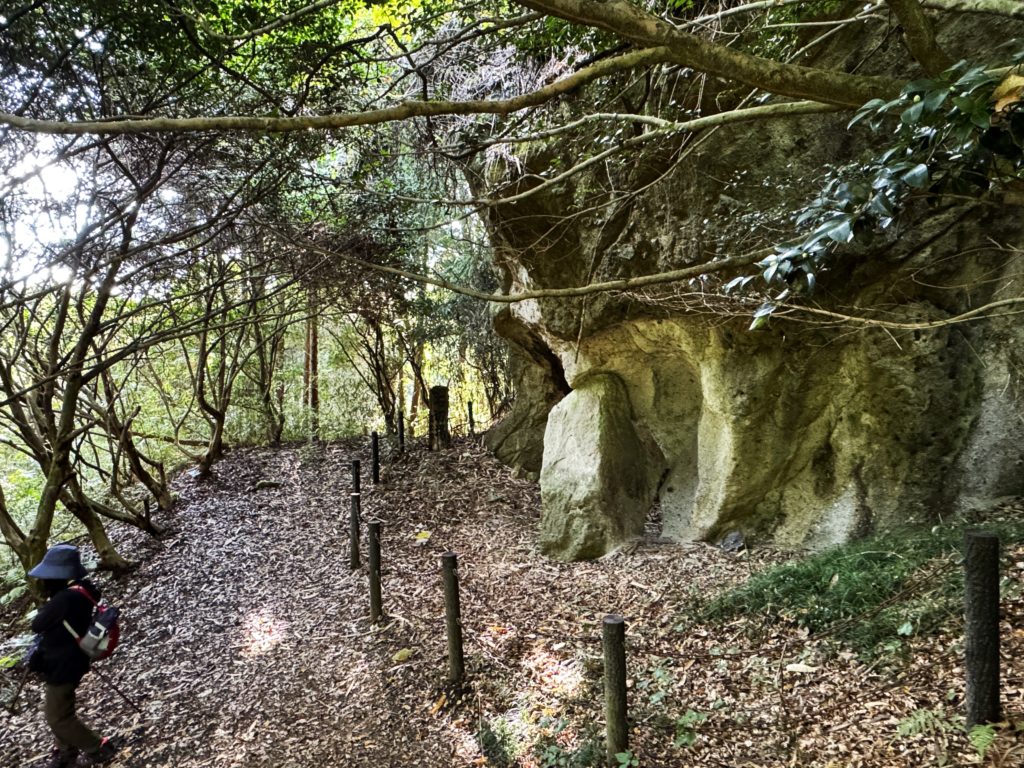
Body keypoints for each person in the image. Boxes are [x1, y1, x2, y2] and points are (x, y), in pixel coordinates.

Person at [28, 544, 118, 768]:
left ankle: (99, 748)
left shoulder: (64, 599)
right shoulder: (82, 591)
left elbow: (37, 624)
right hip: (71, 659)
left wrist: (49, 604)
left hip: (64, 664)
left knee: (57, 716)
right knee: (60, 710)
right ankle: (65, 753)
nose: (43, 581)